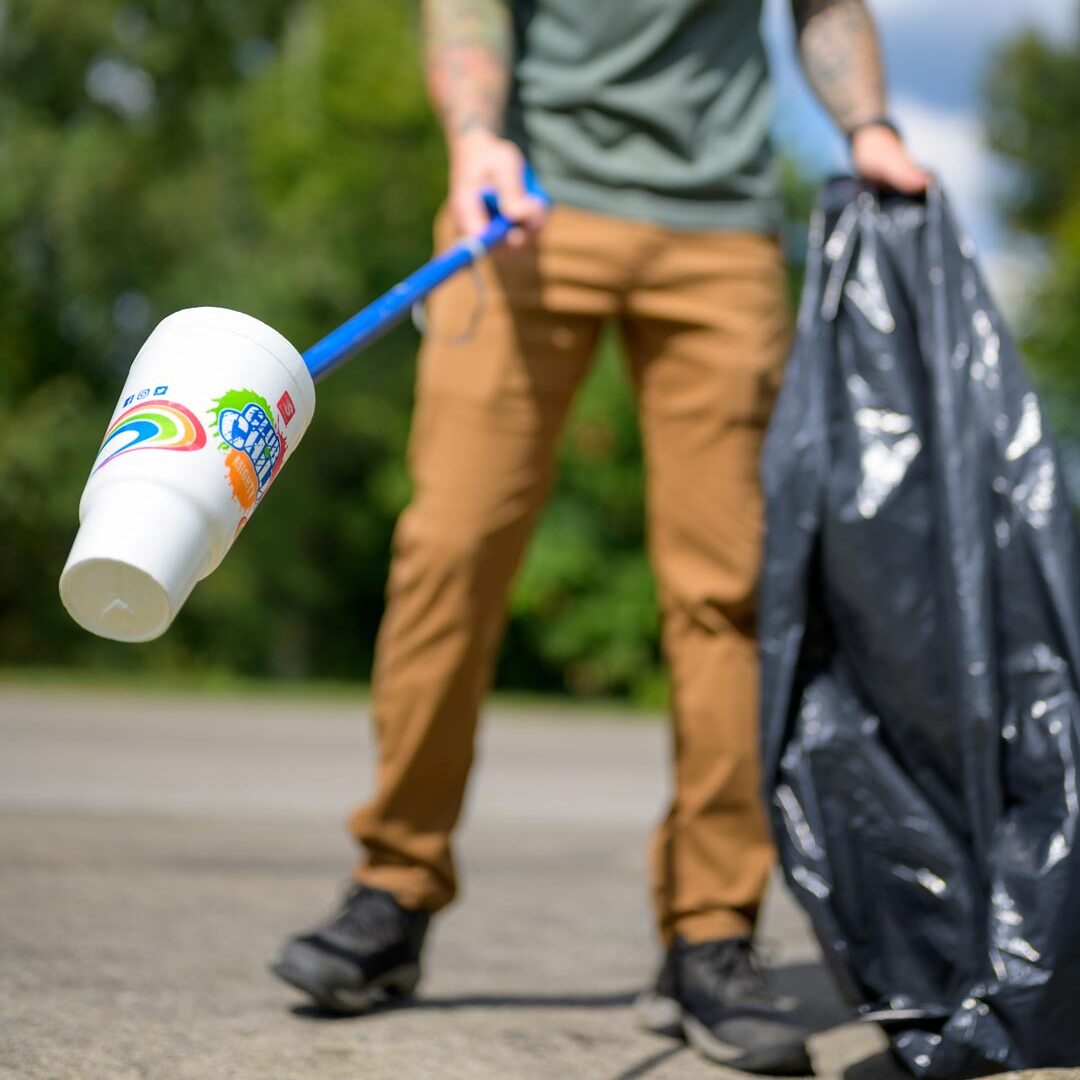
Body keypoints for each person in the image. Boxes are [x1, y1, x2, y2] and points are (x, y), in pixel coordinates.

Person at [273, 0, 929, 1073]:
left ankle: (710, 934)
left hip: (719, 229)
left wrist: (868, 126)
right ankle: (393, 889)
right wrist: (475, 134)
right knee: (450, 552)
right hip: (524, 203)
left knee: (727, 591)